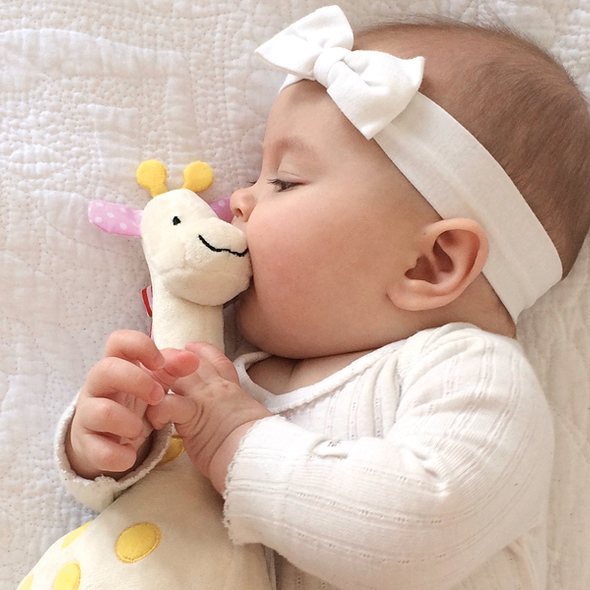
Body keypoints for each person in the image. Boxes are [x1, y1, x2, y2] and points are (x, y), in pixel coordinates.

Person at [58, 5, 590, 589]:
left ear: (430, 264)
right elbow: (182, 527)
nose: (240, 199)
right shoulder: (234, 380)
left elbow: (424, 526)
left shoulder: (473, 373)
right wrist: (118, 443)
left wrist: (235, 441)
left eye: (284, 181)